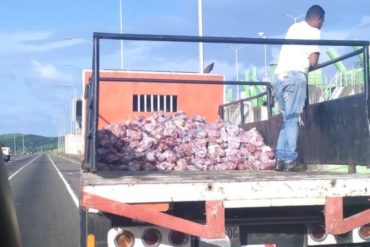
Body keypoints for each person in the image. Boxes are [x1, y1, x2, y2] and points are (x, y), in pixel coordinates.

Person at [273, 5, 325, 172]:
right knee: (293, 119)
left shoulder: (294, 27)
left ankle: (281, 159)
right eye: (322, 21)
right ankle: (290, 160)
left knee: (287, 119)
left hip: (279, 76)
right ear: (317, 19)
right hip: (295, 76)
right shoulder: (314, 31)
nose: (322, 24)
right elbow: (313, 61)